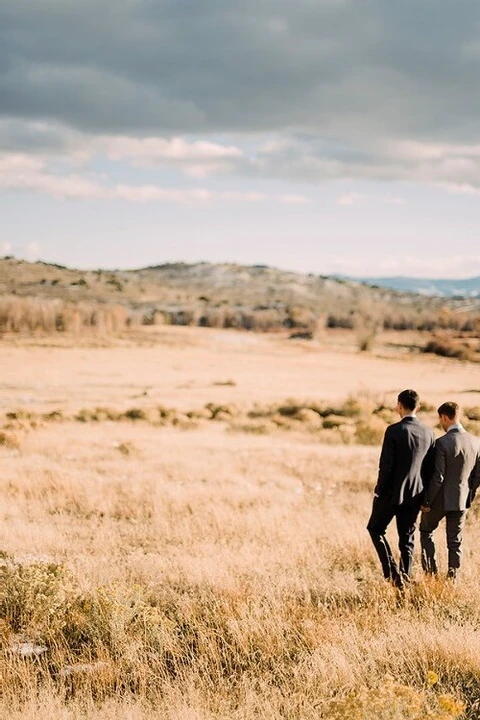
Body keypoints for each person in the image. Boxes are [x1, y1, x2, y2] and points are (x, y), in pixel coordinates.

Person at [367, 389, 435, 588]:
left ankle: (392, 573)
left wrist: (380, 489)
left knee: (375, 529)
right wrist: (426, 497)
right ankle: (404, 578)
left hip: (390, 493)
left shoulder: (394, 430)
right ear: (418, 407)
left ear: (399, 405)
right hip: (416, 493)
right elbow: (430, 469)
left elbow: (386, 464)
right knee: (407, 539)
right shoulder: (429, 432)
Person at [420, 402, 480, 580]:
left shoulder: (441, 443)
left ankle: (431, 575)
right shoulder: (476, 442)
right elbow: (477, 476)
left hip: (438, 500)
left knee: (426, 531)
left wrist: (426, 502)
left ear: (444, 417)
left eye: (440, 419)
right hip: (461, 500)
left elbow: (438, 477)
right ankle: (452, 579)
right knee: (455, 542)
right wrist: (469, 495)